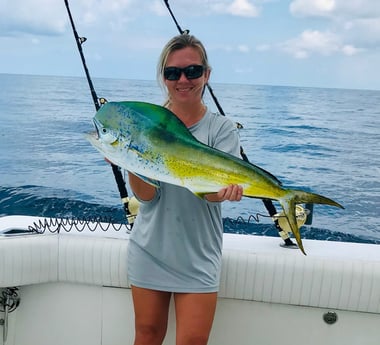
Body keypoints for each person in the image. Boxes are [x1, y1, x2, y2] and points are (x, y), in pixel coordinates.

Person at [127, 33, 243, 345]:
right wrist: (131, 158)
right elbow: (147, 196)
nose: (183, 80)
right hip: (149, 248)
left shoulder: (221, 129)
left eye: (192, 71)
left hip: (199, 254)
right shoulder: (147, 126)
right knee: (147, 336)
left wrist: (224, 193)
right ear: (163, 77)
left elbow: (214, 193)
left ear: (207, 74)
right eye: (172, 72)